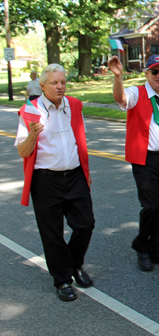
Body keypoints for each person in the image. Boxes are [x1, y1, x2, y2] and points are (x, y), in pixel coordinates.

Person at [15, 64, 95, 301]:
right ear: (42, 86)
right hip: (45, 180)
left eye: (62, 82)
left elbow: (79, 139)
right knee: (52, 233)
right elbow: (22, 151)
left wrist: (85, 171)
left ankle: (74, 264)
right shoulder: (29, 110)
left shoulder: (75, 105)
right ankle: (62, 280)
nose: (60, 87)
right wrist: (32, 134)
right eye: (54, 83)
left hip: (75, 175)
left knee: (85, 224)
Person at [109, 54, 159, 271]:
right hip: (146, 159)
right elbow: (120, 99)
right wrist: (118, 77)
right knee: (152, 205)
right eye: (154, 71)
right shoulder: (137, 93)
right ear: (146, 73)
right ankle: (142, 248)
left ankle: (158, 249)